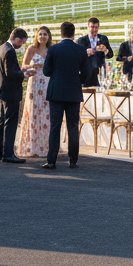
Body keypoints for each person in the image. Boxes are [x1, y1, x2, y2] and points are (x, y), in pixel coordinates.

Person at [42, 21, 91, 170]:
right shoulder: (80, 50)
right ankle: (73, 160)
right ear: (73, 33)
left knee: (55, 127)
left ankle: (51, 160)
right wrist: (78, 80)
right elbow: (87, 73)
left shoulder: (53, 49)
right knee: (72, 126)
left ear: (61, 33)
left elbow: (46, 71)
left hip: (56, 92)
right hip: (73, 92)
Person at [0, 28, 32, 164]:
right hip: (10, 92)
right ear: (17, 39)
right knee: (10, 123)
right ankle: (8, 154)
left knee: (2, 121)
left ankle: (0, 152)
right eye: (22, 42)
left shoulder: (1, 48)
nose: (21, 45)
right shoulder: (9, 51)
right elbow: (11, 73)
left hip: (1, 91)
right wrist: (25, 75)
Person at [15, 26, 54, 159]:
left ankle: (47, 146)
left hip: (47, 84)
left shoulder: (51, 50)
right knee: (34, 113)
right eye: (40, 34)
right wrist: (33, 66)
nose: (43, 36)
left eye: (45, 34)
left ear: (48, 37)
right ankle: (33, 146)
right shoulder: (32, 49)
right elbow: (23, 66)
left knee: (46, 114)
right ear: (37, 36)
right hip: (34, 84)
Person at [76, 17, 113, 86]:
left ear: (98, 27)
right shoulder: (81, 40)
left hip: (100, 73)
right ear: (88, 27)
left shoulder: (103, 39)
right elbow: (76, 57)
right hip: (86, 74)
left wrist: (105, 50)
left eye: (96, 27)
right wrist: (85, 52)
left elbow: (110, 55)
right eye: (92, 27)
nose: (94, 30)